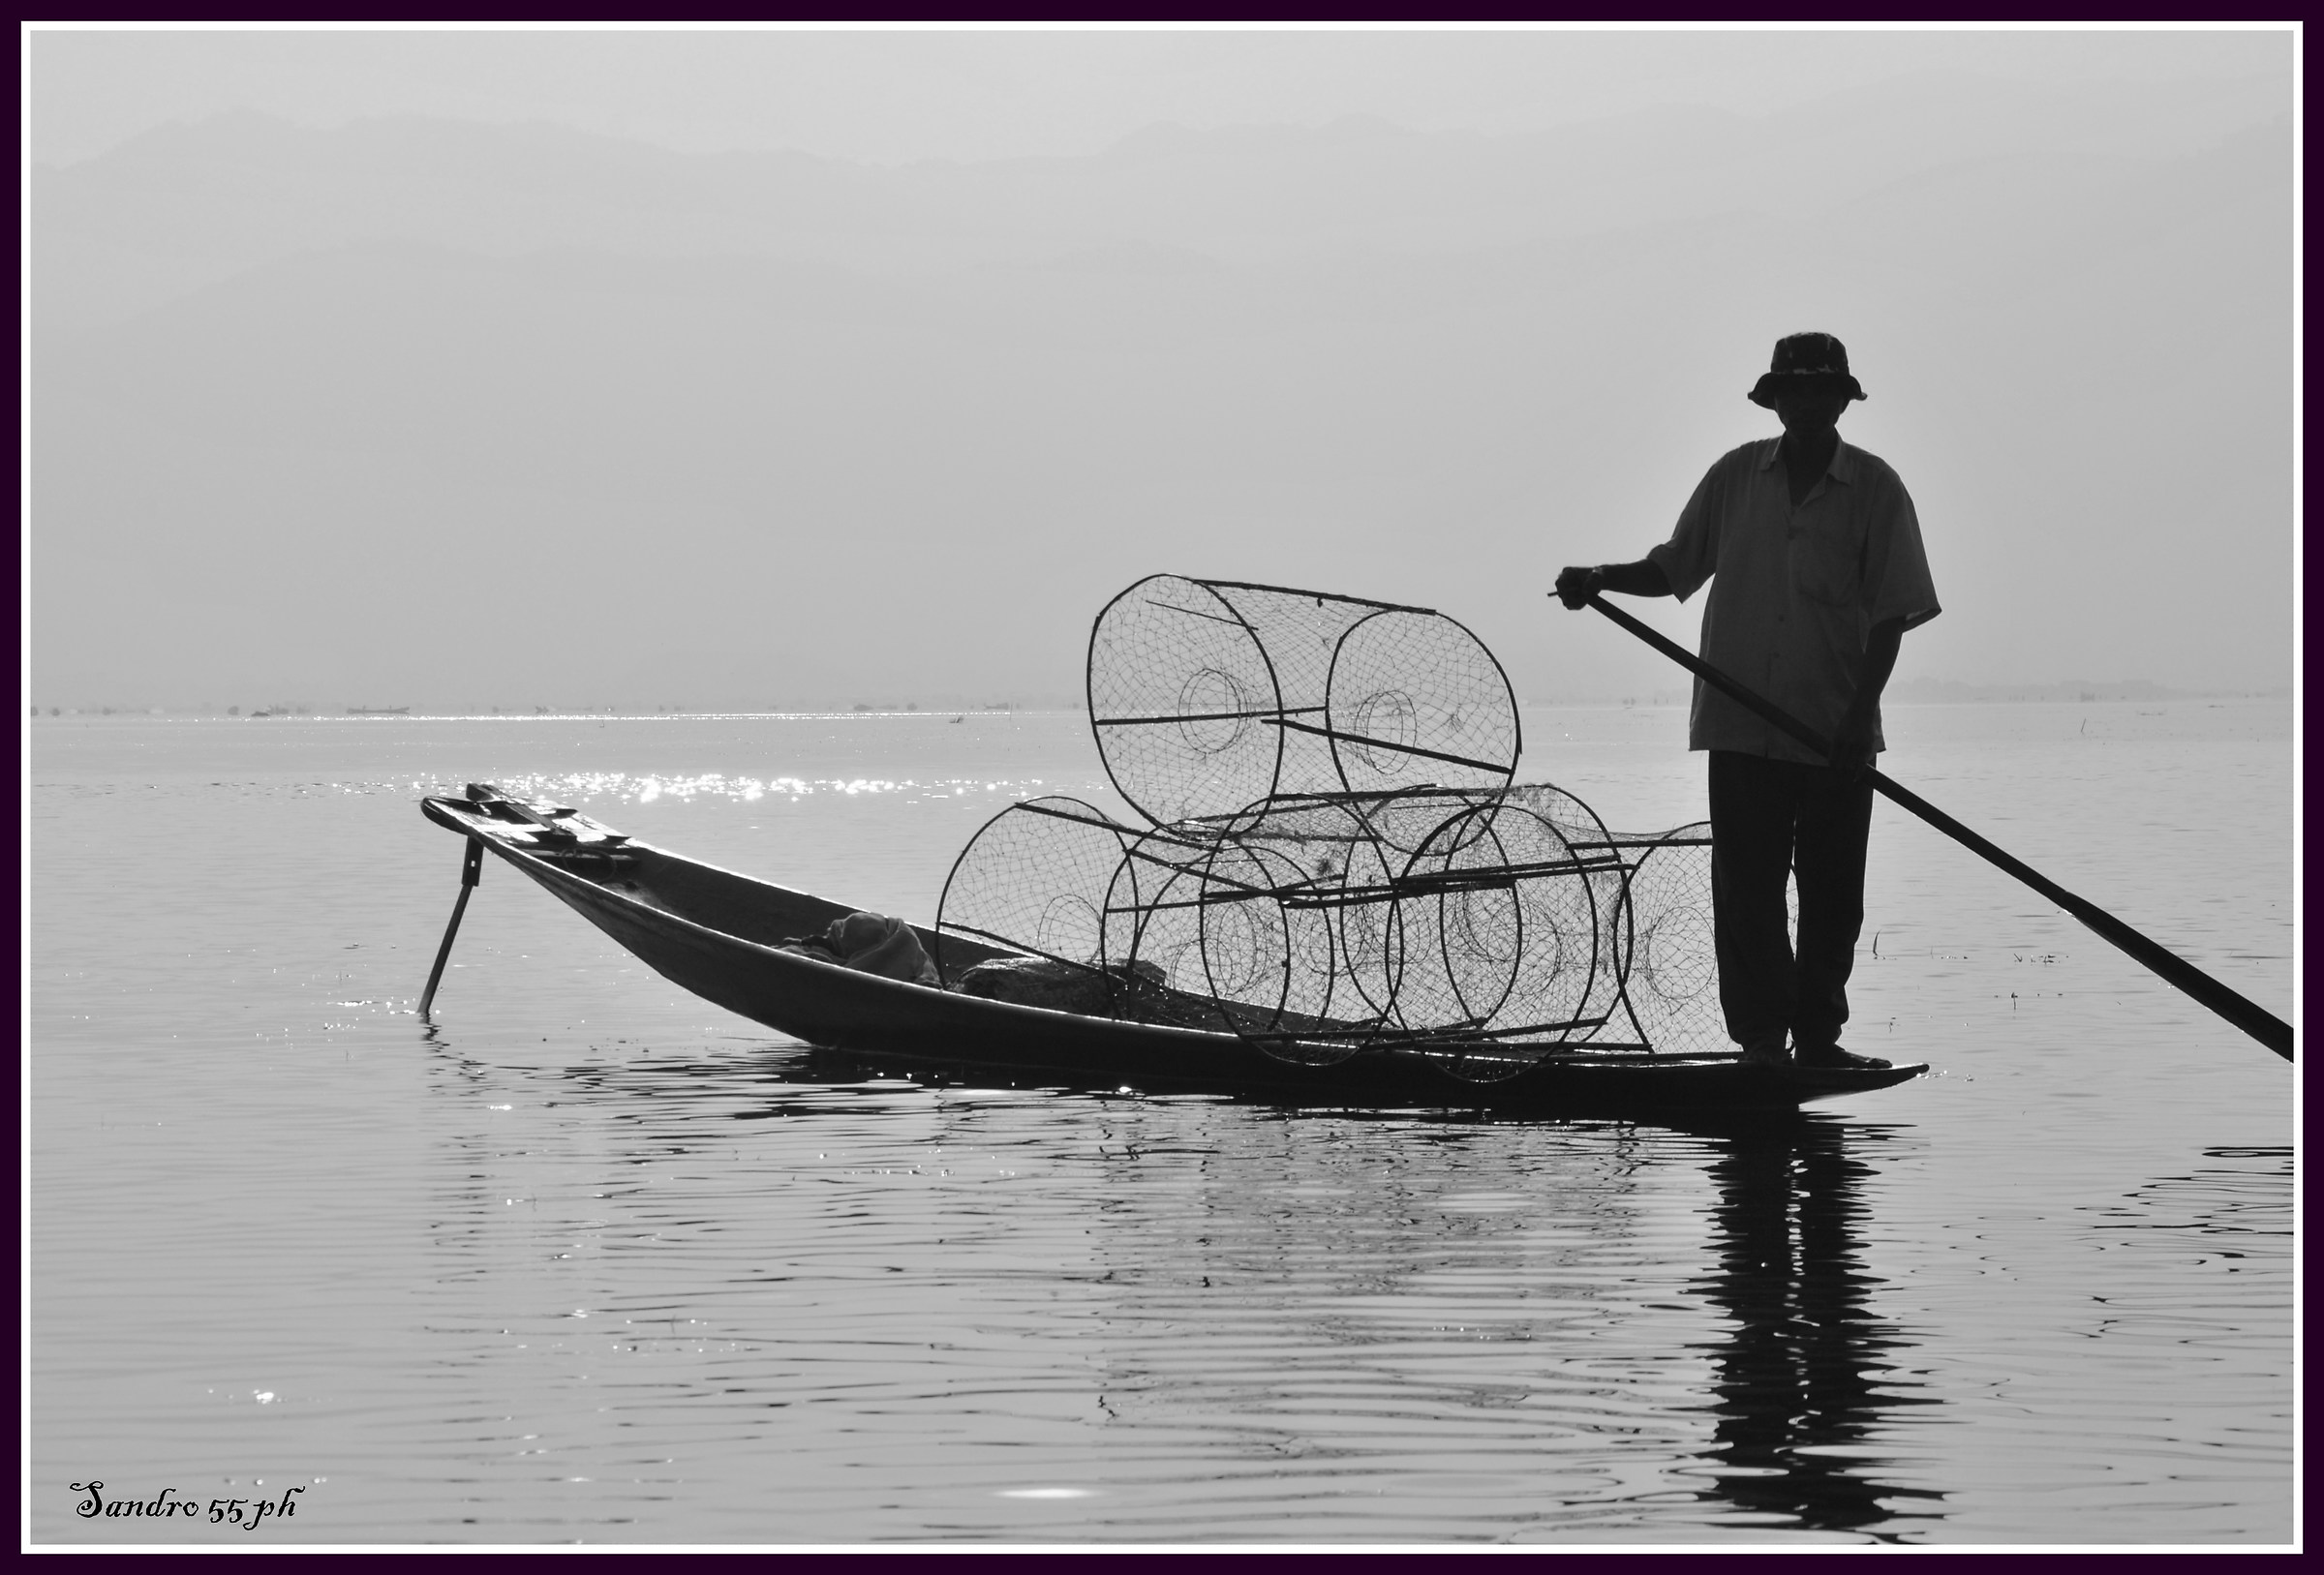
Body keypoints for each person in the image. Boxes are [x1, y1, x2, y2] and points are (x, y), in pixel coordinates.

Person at [1554, 333, 1941, 1070]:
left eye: (1821, 391)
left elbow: (1892, 614)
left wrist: (1858, 714)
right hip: (1739, 724)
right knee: (1748, 892)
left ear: (1841, 402)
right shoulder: (1736, 476)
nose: (1808, 404)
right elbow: (1673, 569)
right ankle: (1762, 1039)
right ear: (1776, 401)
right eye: (1795, 391)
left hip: (1834, 729)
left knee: (1833, 893)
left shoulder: (1877, 489)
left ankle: (1818, 1039)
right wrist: (1600, 578)